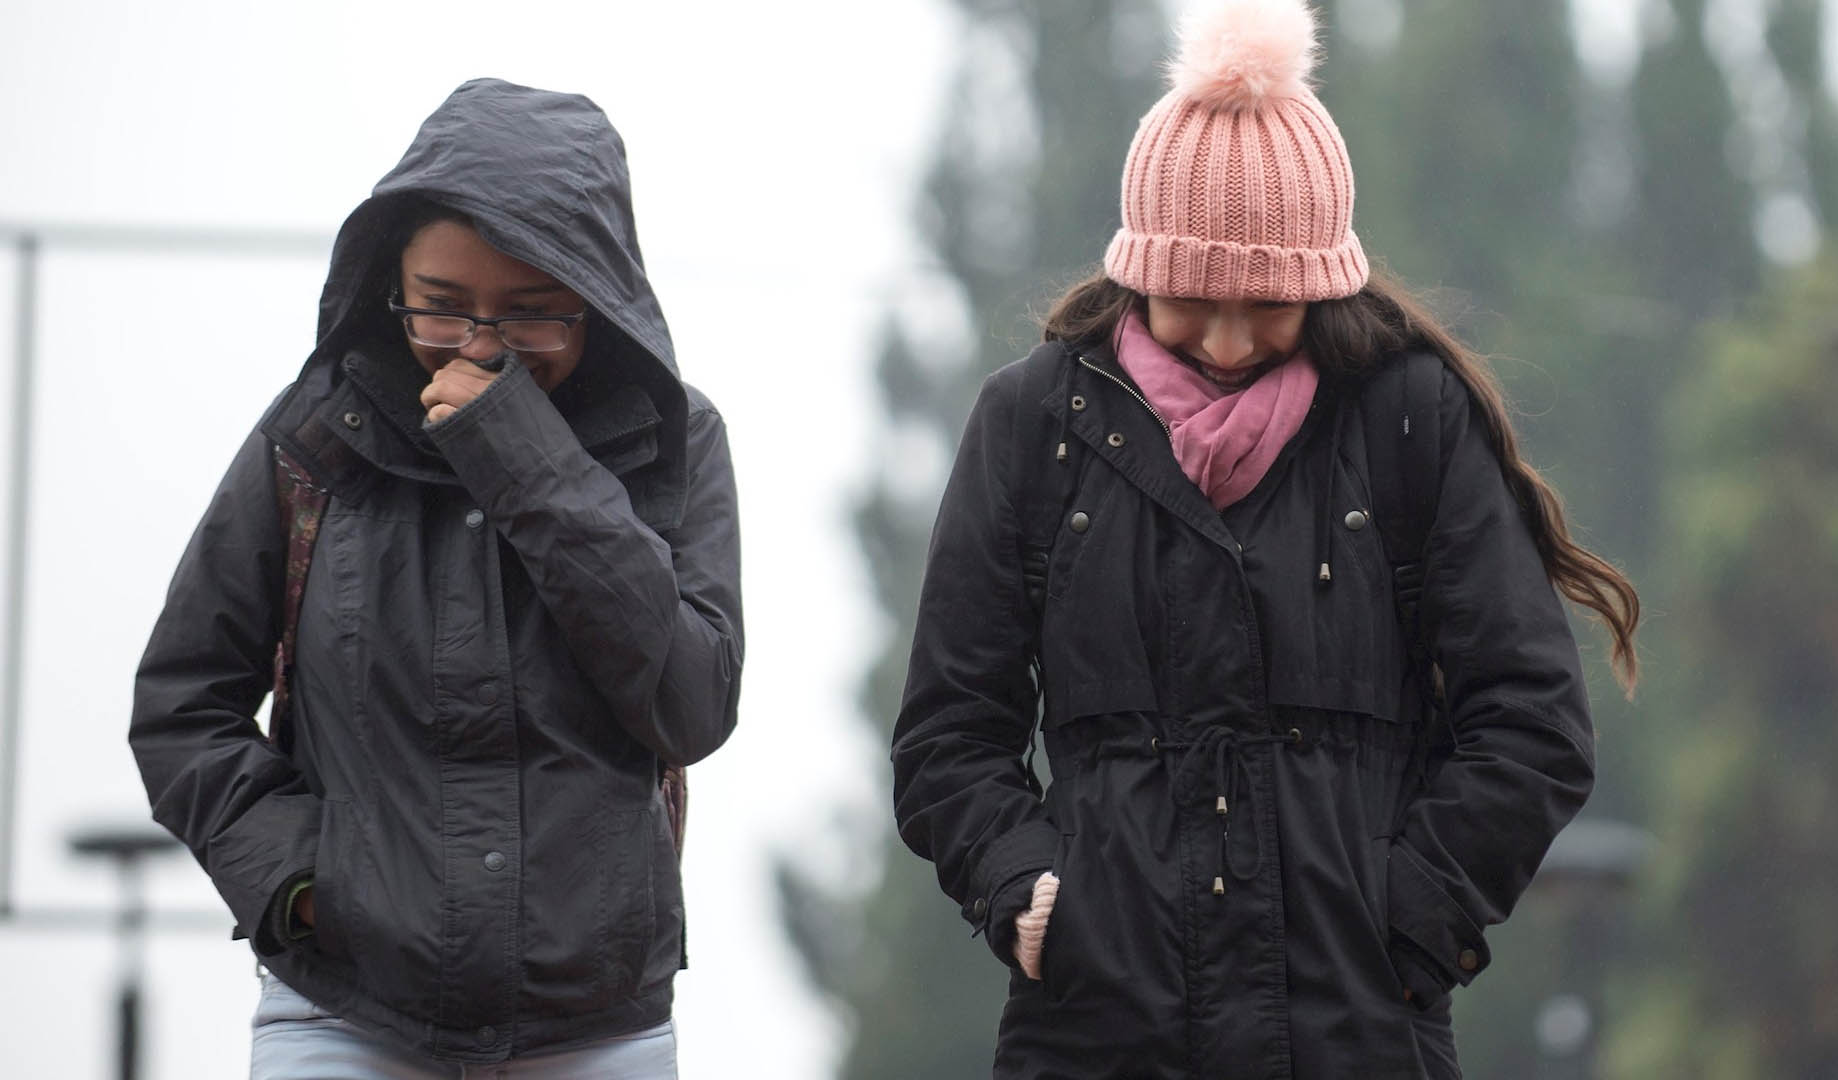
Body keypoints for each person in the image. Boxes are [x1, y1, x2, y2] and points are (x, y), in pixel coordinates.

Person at [890, 2, 1640, 1077]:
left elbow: (1531, 722)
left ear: (1324, 283)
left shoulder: (1408, 419)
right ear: (1138, 265)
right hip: (1099, 1037)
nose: (1230, 342)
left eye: (1270, 305)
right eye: (1194, 300)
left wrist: (1415, 920)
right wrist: (1026, 896)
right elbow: (949, 736)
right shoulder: (1032, 426)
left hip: (1359, 1034)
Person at [129, 78, 742, 1078]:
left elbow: (691, 703)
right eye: (442, 309)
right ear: (388, 280)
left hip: (600, 1029)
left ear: (599, 297)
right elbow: (181, 704)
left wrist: (523, 455)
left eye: (534, 315)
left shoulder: (675, 444)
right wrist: (302, 884)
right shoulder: (313, 438)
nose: (482, 347)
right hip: (345, 1016)